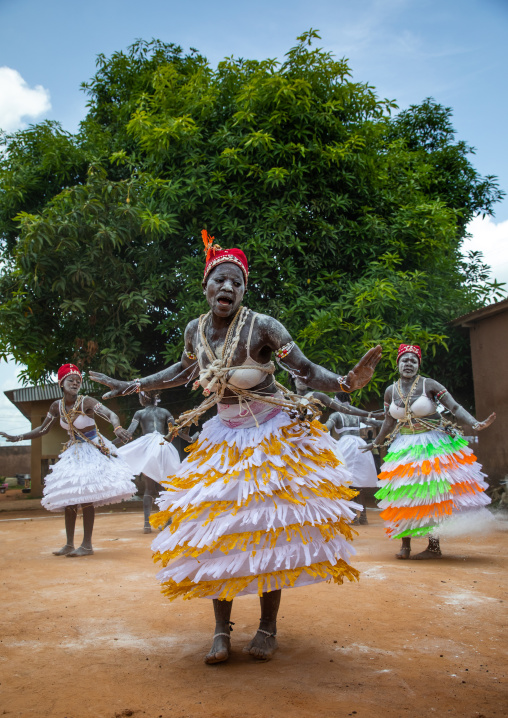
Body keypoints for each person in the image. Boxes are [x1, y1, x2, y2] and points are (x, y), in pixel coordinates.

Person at [90, 232, 382, 663]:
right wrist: (135, 384)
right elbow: (182, 370)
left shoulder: (264, 327)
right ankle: (220, 629)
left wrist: (343, 383)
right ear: (206, 285)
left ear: (244, 290)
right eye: (220, 280)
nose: (228, 288)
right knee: (218, 531)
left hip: (270, 438)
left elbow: (302, 367)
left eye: (237, 283)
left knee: (268, 532)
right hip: (223, 438)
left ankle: (267, 626)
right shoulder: (195, 330)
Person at [363, 344, 495, 560]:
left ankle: (434, 545)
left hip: (432, 445)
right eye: (404, 360)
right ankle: (405, 545)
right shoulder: (390, 390)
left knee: (432, 494)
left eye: (413, 360)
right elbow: (388, 421)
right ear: (397, 364)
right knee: (404, 495)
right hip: (403, 447)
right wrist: (375, 443)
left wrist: (475, 423)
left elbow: (454, 407)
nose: (408, 364)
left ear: (419, 364)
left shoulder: (429, 385)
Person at [0, 364, 136, 557]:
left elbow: (111, 414)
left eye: (78, 380)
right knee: (70, 497)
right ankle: (69, 544)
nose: (75, 383)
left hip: (92, 450)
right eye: (70, 380)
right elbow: (43, 429)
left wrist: (116, 428)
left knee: (86, 496)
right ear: (61, 383)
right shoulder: (56, 406)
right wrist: (18, 437)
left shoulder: (86, 401)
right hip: (73, 452)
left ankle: (87, 545)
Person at [294, 380, 383, 524]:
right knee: (358, 484)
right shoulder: (356, 413)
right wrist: (391, 421)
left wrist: (310, 424)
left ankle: (353, 515)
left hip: (346, 446)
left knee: (347, 481)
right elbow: (375, 423)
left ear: (335, 400)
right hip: (360, 447)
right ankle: (364, 516)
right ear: (350, 398)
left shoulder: (336, 415)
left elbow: (325, 429)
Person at [115, 391, 183, 533]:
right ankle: (167, 521)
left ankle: (147, 524)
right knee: (165, 485)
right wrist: (190, 439)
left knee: (149, 488)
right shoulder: (164, 411)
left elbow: (129, 433)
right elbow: (176, 430)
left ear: (142, 399)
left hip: (148, 448)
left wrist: (111, 444)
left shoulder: (139, 413)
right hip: (163, 447)